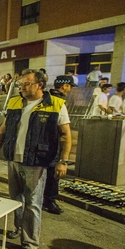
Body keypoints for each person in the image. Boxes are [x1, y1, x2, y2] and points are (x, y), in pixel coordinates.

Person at [0, 69, 71, 249]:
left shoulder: (55, 104)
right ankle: (18, 228)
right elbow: (3, 130)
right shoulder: (15, 102)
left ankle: (30, 243)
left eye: (26, 84)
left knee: (33, 203)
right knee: (16, 200)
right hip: (14, 160)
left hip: (36, 162)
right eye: (21, 84)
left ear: (40, 85)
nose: (22, 87)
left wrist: (63, 161)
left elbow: (66, 136)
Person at [43, 75, 76, 215]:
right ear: (64, 86)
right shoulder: (58, 101)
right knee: (52, 174)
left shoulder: (45, 97)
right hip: (52, 144)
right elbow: (65, 133)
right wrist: (64, 160)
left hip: (43, 143)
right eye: (70, 86)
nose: (70, 89)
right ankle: (49, 201)